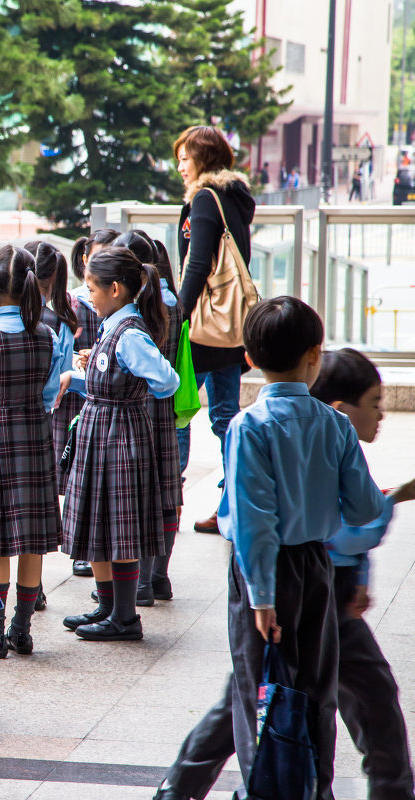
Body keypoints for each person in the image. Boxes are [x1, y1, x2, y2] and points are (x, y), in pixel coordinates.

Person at [153, 347, 415, 800]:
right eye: (374, 403)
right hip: (306, 594)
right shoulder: (314, 437)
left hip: (314, 594)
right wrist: (392, 501)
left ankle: (181, 789)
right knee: (280, 698)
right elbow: (340, 530)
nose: (382, 415)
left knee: (266, 697)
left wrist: (359, 578)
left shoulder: (314, 437)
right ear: (340, 409)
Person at [59, 247, 178, 642]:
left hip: (120, 435)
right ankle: (108, 606)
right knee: (102, 520)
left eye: (92, 288)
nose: (87, 294)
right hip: (103, 430)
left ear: (114, 288)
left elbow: (167, 381)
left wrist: (131, 386)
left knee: (120, 525)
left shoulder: (129, 334)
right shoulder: (111, 325)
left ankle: (125, 617)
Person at [0, 245, 66, 660]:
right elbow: (51, 395)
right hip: (37, 445)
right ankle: (22, 630)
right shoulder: (48, 336)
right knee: (33, 542)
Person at [174, 125, 255, 534]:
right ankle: (232, 507)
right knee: (226, 417)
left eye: (185, 159)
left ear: (203, 160)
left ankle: (166, 498)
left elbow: (197, 265)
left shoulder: (205, 200)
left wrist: (176, 315)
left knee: (178, 410)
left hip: (203, 328)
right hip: (230, 326)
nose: (179, 167)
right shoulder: (235, 199)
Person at [113, 231, 184, 606]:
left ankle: (137, 583)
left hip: (136, 407)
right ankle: (160, 577)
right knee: (167, 493)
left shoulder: (132, 310)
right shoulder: (171, 300)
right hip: (164, 410)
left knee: (138, 496)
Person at [60, 229, 118, 580]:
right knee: (82, 488)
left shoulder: (123, 325)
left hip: (106, 413)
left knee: (101, 496)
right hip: (85, 409)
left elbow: (161, 379)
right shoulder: (81, 304)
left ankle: (118, 604)